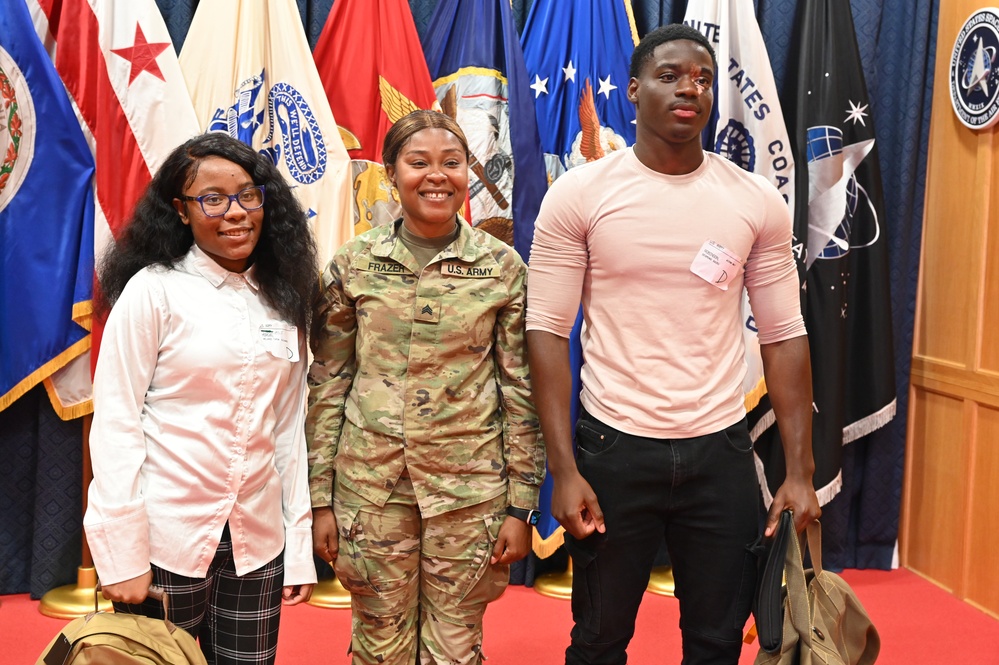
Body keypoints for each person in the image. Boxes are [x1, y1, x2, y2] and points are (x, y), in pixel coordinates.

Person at [525, 24, 822, 665]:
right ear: (633, 90)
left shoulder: (754, 202)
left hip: (720, 453)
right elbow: (546, 333)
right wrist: (564, 469)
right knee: (600, 640)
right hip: (612, 449)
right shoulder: (578, 196)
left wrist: (799, 472)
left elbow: (785, 335)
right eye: (670, 75)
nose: (690, 88)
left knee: (717, 644)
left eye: (703, 79)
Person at [306, 109, 545, 665]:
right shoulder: (354, 264)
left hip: (469, 496)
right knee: (378, 646)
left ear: (468, 172)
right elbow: (328, 384)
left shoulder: (502, 268)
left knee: (455, 650)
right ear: (391, 174)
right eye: (418, 163)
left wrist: (521, 505)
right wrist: (320, 501)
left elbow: (520, 391)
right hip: (372, 490)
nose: (437, 175)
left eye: (452, 162)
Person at [84, 132, 318, 665]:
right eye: (212, 199)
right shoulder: (154, 290)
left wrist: (297, 550)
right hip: (165, 538)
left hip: (256, 545)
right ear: (181, 211)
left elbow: (287, 432)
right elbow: (117, 422)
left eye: (247, 195)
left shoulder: (283, 297)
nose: (235, 212)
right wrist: (122, 555)